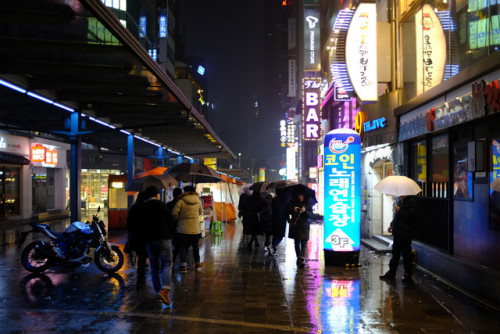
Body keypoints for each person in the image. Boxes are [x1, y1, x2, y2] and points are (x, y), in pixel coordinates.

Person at [140, 186, 175, 306]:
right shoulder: (162, 205)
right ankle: (165, 290)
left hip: (150, 240)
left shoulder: (143, 207)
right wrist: (171, 234)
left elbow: (140, 225)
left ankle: (158, 293)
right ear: (157, 195)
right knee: (167, 263)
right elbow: (171, 222)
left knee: (154, 267)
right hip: (163, 238)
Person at [380, 195, 419, 284]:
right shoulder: (400, 201)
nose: (401, 194)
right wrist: (391, 225)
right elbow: (396, 216)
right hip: (398, 231)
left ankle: (408, 275)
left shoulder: (412, 202)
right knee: (395, 253)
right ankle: (391, 272)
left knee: (406, 254)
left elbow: (411, 216)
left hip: (406, 232)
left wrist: (400, 210)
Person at [172, 185, 204, 272]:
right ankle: (197, 263)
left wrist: (178, 220)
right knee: (195, 247)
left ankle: (183, 266)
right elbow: (200, 212)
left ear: (185, 191)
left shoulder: (181, 201)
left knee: (183, 247)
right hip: (195, 228)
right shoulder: (198, 201)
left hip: (183, 228)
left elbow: (174, 213)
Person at [126, 190, 148, 290]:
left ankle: (140, 280)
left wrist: (130, 236)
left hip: (136, 236)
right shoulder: (148, 207)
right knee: (147, 257)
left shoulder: (134, 207)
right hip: (147, 236)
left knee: (141, 258)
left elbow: (129, 223)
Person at [287, 192, 313, 268]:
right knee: (296, 242)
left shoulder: (308, 205)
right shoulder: (293, 203)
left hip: (304, 226)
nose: (300, 197)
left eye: (301, 195)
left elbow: (311, 215)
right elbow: (289, 211)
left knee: (304, 243)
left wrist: (305, 211)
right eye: (299, 195)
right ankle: (298, 257)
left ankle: (302, 258)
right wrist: (294, 209)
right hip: (296, 225)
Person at [167, 187, 183, 266]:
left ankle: (172, 260)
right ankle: (180, 262)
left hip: (170, 228)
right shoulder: (182, 205)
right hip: (180, 227)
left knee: (171, 245)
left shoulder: (168, 204)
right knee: (179, 246)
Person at [269, 188, 288, 255]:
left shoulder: (274, 199)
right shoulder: (285, 200)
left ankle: (273, 250)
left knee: (275, 234)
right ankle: (272, 246)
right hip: (282, 219)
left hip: (274, 218)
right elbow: (286, 211)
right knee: (280, 236)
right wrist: (288, 219)